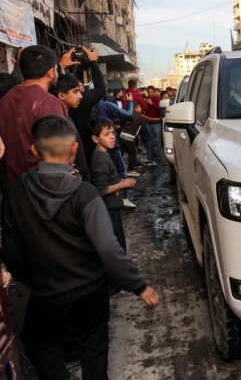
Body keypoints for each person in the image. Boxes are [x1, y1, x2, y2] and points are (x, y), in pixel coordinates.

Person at [1, 115, 160, 380]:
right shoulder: (85, 193)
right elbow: (108, 248)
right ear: (74, 148)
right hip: (90, 292)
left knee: (40, 343)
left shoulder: (15, 194)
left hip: (46, 294)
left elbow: (11, 252)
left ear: (34, 150)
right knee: (94, 351)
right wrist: (138, 285)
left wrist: (32, 279)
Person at [0, 45, 66, 182]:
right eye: (56, 69)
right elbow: (58, 154)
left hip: (12, 188)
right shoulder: (49, 103)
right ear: (50, 72)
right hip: (42, 188)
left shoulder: (5, 100)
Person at [90, 118, 136, 253]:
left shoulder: (104, 153)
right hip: (109, 210)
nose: (112, 137)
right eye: (106, 134)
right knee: (118, 246)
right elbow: (101, 189)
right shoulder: (100, 159)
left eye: (113, 133)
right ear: (95, 138)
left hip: (113, 207)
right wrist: (123, 184)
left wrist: (121, 182)